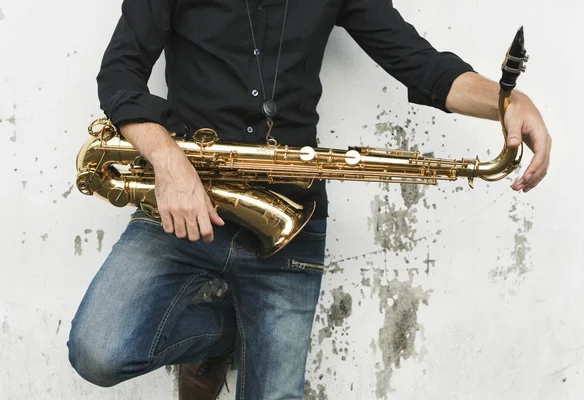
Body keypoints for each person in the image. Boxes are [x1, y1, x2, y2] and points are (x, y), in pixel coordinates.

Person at [67, 0, 552, 399]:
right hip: (185, 202)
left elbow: (423, 65)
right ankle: (223, 338)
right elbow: (120, 74)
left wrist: (510, 102)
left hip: (290, 214)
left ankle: (240, 339)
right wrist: (169, 164)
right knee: (98, 352)